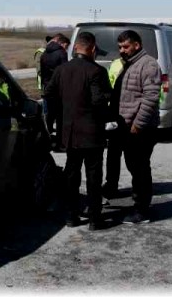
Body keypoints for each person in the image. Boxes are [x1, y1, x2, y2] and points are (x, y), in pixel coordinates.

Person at [43, 31, 113, 231]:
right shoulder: (96, 71)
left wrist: (63, 110)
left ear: (75, 48)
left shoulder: (62, 70)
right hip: (91, 133)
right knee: (93, 176)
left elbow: (48, 93)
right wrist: (108, 98)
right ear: (91, 49)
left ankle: (71, 216)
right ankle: (94, 218)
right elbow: (98, 100)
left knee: (71, 176)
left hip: (70, 132)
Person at [114, 29, 162, 224]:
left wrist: (138, 125)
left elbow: (150, 98)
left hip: (140, 129)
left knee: (140, 168)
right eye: (120, 47)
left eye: (125, 46)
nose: (122, 51)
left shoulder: (148, 65)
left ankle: (141, 210)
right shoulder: (130, 64)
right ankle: (139, 204)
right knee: (134, 166)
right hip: (127, 127)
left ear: (136, 45)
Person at [102, 49, 127, 198]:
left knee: (131, 157)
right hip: (116, 114)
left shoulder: (142, 66)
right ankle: (111, 184)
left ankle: (139, 189)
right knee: (113, 154)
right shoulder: (117, 64)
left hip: (126, 115)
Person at [38, 33, 71, 145]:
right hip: (59, 89)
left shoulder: (44, 54)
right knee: (60, 117)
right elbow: (65, 72)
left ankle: (47, 138)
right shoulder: (61, 53)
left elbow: (42, 74)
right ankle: (60, 142)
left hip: (47, 88)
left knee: (50, 115)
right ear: (62, 43)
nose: (66, 49)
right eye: (66, 46)